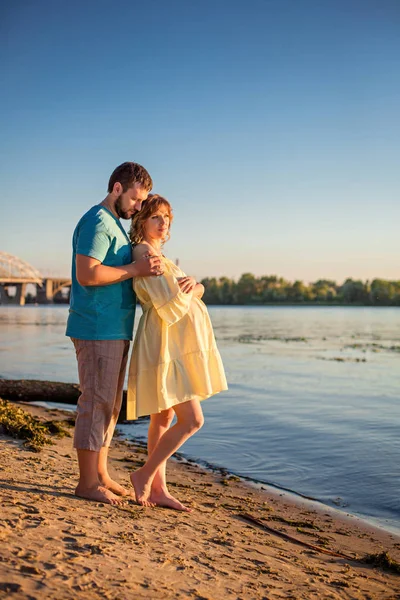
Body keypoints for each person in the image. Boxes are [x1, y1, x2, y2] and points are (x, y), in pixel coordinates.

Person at [66, 162, 163, 506]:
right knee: (95, 402)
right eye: (136, 199)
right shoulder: (97, 221)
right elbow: (88, 273)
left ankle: (102, 474)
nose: (139, 208)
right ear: (117, 189)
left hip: (114, 328)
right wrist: (135, 268)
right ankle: (86, 482)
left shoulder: (116, 227)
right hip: (95, 326)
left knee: (110, 404)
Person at [127, 194, 228, 511]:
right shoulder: (144, 252)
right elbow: (171, 300)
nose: (163, 222)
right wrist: (198, 289)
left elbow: (183, 291)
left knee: (164, 416)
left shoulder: (159, 255)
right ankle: (144, 475)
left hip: (170, 342)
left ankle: (159, 489)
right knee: (192, 420)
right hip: (165, 341)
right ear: (142, 220)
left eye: (167, 217)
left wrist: (195, 287)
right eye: (156, 216)